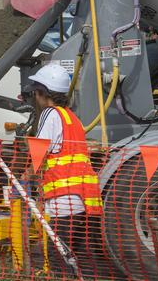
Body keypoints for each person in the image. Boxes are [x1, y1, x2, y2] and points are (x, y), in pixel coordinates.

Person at [24, 63, 103, 274]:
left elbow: (40, 151)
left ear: (42, 93)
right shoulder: (71, 117)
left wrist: (24, 178)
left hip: (64, 200)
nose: (35, 97)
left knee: (60, 260)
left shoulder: (50, 114)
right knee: (80, 257)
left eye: (35, 92)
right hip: (82, 199)